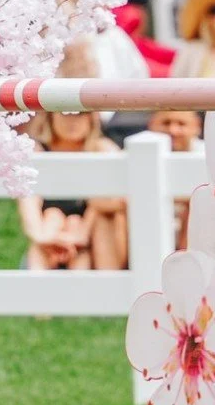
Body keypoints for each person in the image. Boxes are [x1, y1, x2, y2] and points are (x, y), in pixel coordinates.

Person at [17, 93, 128, 271]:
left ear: (92, 117)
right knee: (53, 215)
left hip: (91, 235)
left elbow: (103, 201)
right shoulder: (37, 151)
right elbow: (27, 199)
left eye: (80, 114)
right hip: (50, 231)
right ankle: (37, 288)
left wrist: (80, 234)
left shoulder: (102, 149)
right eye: (65, 113)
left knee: (74, 221)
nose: (72, 121)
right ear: (51, 116)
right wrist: (43, 237)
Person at [147, 110, 204, 250]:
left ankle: (185, 269)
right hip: (146, 227)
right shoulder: (138, 151)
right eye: (166, 123)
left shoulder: (207, 154)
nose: (173, 130)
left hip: (195, 233)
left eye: (181, 124)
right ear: (151, 124)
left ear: (197, 126)